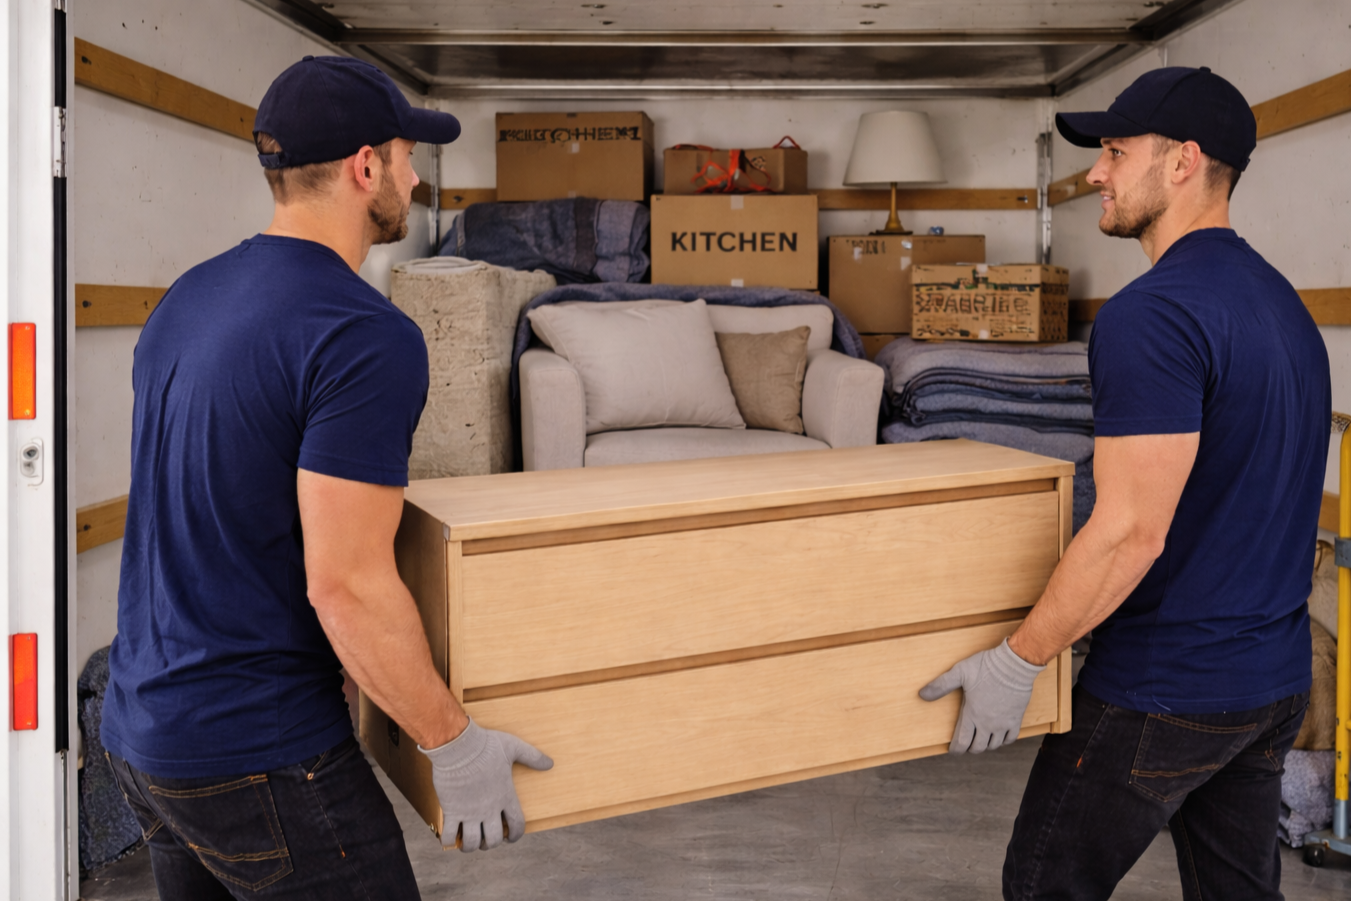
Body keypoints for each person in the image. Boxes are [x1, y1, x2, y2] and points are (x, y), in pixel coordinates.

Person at [101, 56, 551, 901]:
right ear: (365, 167)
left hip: (142, 733)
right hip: (258, 752)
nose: (415, 180)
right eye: (407, 157)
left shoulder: (188, 297)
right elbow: (345, 583)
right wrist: (451, 741)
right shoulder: (361, 334)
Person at [918, 66, 1330, 900]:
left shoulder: (1153, 314)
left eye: (1113, 151)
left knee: (1044, 885)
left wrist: (1018, 659)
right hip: (1271, 682)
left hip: (1163, 686)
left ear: (1182, 161)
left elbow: (1129, 531)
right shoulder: (1281, 304)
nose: (1093, 173)